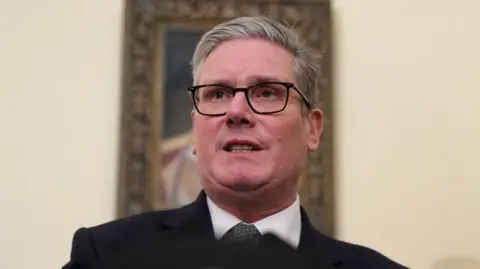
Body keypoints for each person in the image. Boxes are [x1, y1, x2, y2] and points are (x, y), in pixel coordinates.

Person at [63, 16, 408, 269]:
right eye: (217, 94)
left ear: (312, 128)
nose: (237, 111)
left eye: (268, 92)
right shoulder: (105, 257)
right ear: (195, 128)